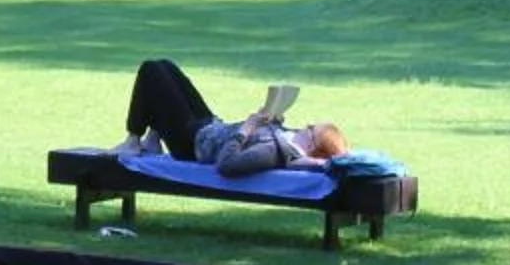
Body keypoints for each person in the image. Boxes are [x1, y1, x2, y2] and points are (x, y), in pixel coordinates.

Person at [117, 59, 349, 177]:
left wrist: (246, 129)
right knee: (166, 66)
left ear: (310, 145)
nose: (307, 125)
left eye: (311, 130)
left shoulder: (271, 152)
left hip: (192, 144)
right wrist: (271, 118)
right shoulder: (288, 142)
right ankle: (153, 138)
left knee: (151, 70)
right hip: (209, 128)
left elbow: (227, 166)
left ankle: (134, 140)